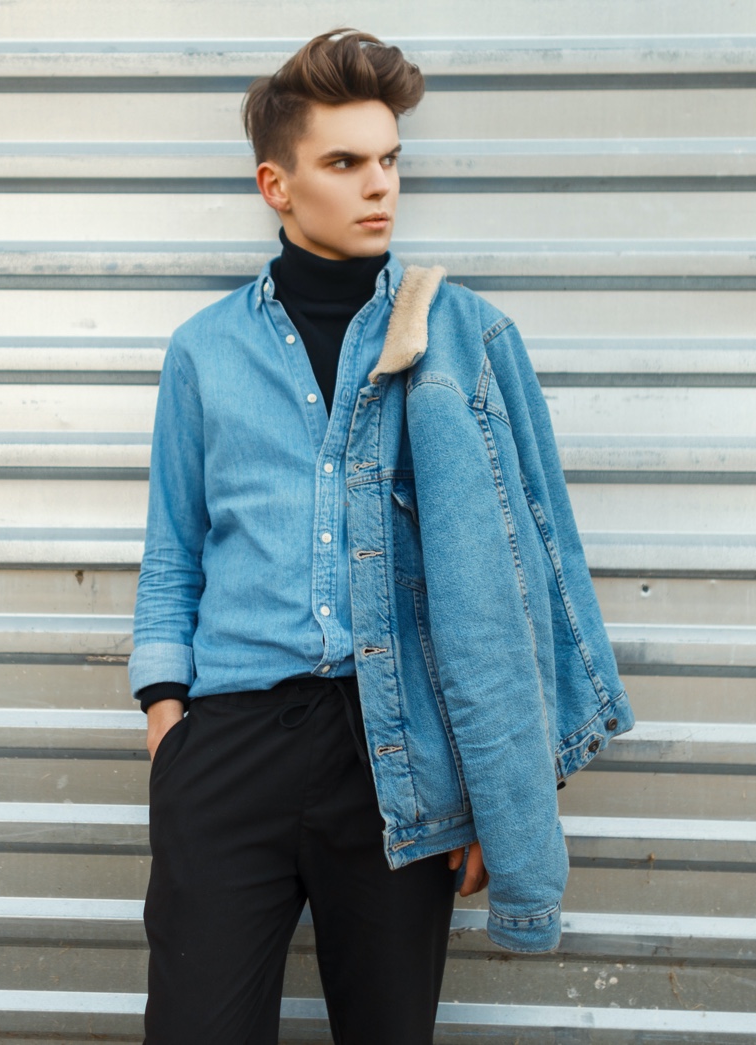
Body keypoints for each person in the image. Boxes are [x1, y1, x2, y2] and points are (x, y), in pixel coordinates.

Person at [130, 28, 633, 1045]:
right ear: (277, 184)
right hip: (227, 749)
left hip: (397, 754)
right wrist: (167, 724)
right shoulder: (203, 350)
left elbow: (536, 559)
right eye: (345, 163)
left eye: (390, 160)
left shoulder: (468, 338)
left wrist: (506, 782)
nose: (380, 187)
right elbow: (172, 551)